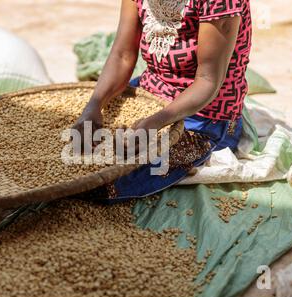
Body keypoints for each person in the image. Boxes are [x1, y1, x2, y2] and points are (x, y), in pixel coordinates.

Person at [73, 0, 252, 202]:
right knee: (71, 145)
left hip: (204, 115)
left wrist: (155, 122)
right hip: (149, 94)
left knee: (107, 181)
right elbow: (122, 55)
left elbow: (208, 81)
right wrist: (94, 105)